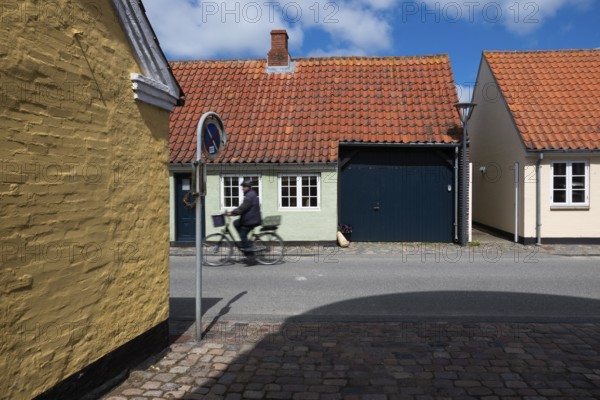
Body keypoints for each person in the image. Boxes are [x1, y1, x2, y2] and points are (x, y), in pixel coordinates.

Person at [226, 180, 262, 252]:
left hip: (251, 220)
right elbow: (243, 208)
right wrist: (234, 212)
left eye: (243, 187)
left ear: (248, 187)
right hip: (250, 218)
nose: (242, 188)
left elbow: (243, 208)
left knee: (242, 234)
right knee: (236, 223)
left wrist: (232, 213)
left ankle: (248, 247)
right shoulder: (250, 194)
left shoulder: (249, 196)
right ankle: (245, 242)